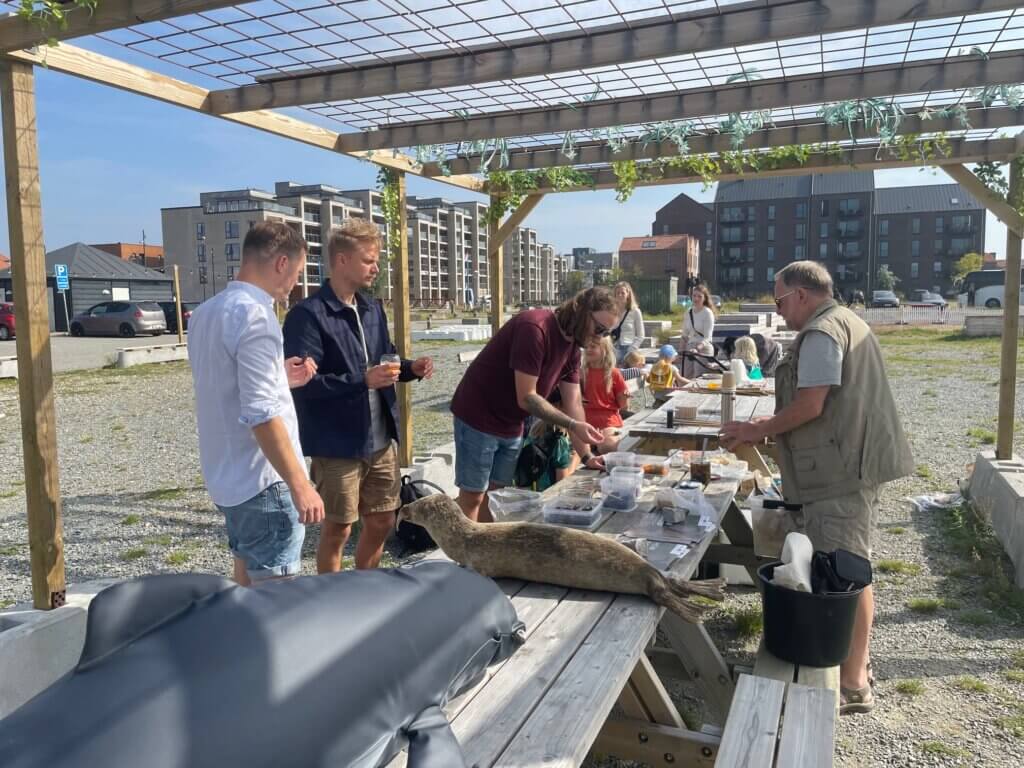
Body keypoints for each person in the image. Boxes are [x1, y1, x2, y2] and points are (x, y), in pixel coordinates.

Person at [720, 260, 913, 716]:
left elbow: (811, 404)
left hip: (839, 474)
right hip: (842, 465)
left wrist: (758, 429)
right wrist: (768, 433)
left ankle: (852, 683)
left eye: (780, 301)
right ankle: (854, 664)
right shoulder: (844, 321)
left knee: (845, 572)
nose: (780, 311)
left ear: (802, 295)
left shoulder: (824, 332)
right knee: (844, 565)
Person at [283, 219, 433, 573]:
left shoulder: (371, 309)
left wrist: (412, 368)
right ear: (341, 261)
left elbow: (386, 360)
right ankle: (332, 600)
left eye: (376, 260)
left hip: (381, 442)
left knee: (382, 520)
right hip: (337, 444)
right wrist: (361, 381)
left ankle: (365, 586)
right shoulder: (308, 316)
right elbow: (304, 385)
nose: (376, 267)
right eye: (369, 260)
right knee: (339, 528)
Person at [188, 222, 325, 586]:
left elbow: (223, 384)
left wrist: (279, 377)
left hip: (226, 478)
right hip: (264, 479)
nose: (295, 284)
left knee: (244, 585)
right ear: (282, 262)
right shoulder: (257, 316)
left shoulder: (205, 313)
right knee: (276, 607)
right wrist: (300, 484)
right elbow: (261, 413)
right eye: (297, 273)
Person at [449, 287, 617, 522]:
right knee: (473, 495)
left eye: (607, 333)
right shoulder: (535, 328)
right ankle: (463, 557)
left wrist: (587, 456)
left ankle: (483, 554)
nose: (599, 337)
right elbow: (527, 397)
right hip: (479, 415)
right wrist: (571, 424)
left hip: (512, 422)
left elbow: (574, 402)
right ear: (580, 309)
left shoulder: (571, 348)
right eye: (599, 329)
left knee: (497, 495)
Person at [581, 336, 628, 454]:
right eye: (586, 346)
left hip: (608, 421)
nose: (588, 349)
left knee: (607, 447)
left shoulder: (614, 373)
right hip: (584, 421)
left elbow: (624, 406)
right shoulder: (580, 372)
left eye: (593, 347)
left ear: (604, 350)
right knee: (575, 450)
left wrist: (625, 397)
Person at [681, 284, 716, 378]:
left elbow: (708, 337)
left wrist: (697, 349)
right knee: (685, 376)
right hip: (690, 348)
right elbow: (684, 334)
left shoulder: (707, 313)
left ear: (704, 298)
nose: (696, 299)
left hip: (703, 348)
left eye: (699, 296)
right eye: (694, 296)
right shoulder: (688, 312)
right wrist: (680, 352)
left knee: (698, 377)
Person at [610, 281, 644, 364]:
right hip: (613, 350)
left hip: (628, 350)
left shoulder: (635, 311)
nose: (620, 295)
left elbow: (641, 335)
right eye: (617, 293)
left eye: (623, 293)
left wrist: (632, 349)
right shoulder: (611, 311)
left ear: (628, 294)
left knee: (629, 375)